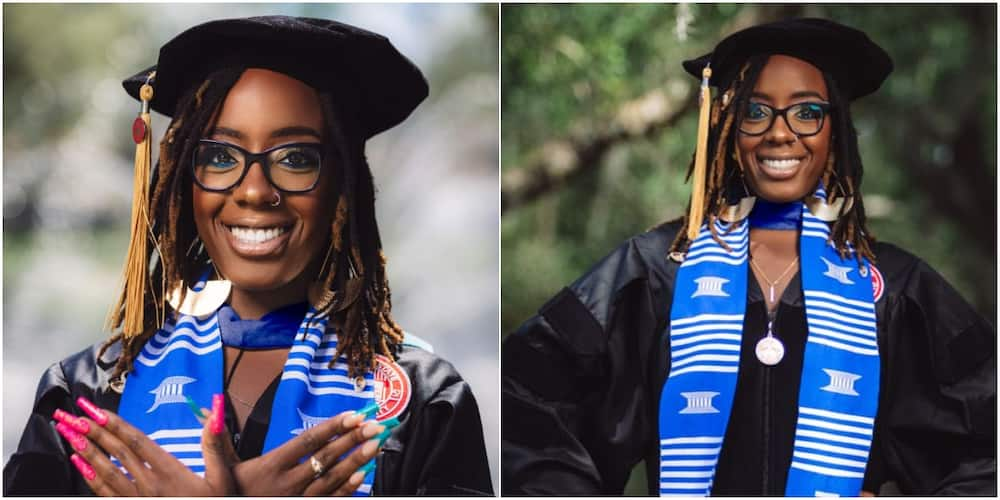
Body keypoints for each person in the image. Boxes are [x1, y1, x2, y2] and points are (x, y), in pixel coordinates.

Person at [502, 18, 995, 496]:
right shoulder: (658, 269)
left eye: (807, 112)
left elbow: (983, 443)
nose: (780, 133)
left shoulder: (893, 285)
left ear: (835, 132)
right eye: (756, 112)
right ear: (729, 131)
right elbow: (527, 395)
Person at [4, 16, 493, 496]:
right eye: (220, 157)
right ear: (182, 183)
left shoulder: (417, 400)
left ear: (343, 188)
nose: (255, 191)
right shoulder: (89, 393)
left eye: (295, 158)